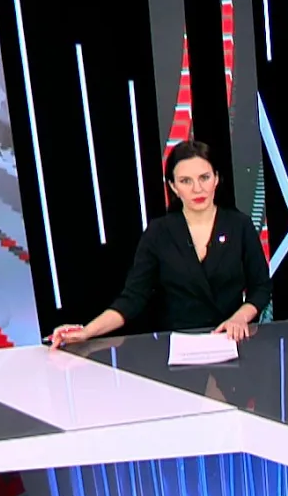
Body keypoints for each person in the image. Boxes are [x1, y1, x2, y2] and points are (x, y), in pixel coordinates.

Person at [51, 140, 272, 346]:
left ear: (216, 178)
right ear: (173, 187)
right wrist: (87, 331)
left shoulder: (239, 225)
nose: (197, 189)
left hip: (231, 342)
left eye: (204, 178)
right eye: (186, 181)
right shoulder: (159, 233)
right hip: (179, 347)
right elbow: (133, 298)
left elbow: (261, 287)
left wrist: (239, 318)